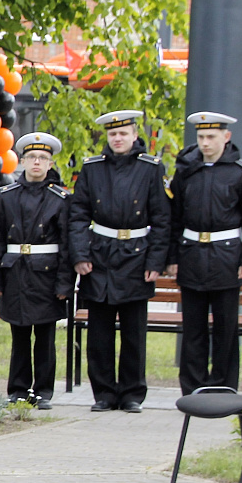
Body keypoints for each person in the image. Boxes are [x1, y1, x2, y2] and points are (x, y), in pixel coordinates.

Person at [68, 110, 170, 412]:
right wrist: (80, 254)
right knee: (99, 332)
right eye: (113, 134)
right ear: (107, 137)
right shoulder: (92, 168)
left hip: (137, 256)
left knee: (134, 332)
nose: (118, 138)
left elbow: (162, 218)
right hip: (99, 256)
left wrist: (156, 260)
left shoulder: (150, 168)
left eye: (123, 133)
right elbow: (77, 215)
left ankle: (132, 394)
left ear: (134, 135)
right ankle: (103, 393)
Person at [165, 111, 242, 395]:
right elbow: (174, 219)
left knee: (225, 329)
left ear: (226, 137)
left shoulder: (240, 172)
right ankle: (193, 389)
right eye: (201, 137)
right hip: (192, 256)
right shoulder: (186, 171)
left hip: (226, 259)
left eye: (211, 137)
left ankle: (223, 388)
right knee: (193, 329)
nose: (205, 143)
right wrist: (172, 258)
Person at [0, 132, 73, 410]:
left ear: (50, 164)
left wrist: (64, 285)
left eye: (42, 158)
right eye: (32, 157)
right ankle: (18, 390)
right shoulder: (8, 196)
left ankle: (44, 391)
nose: (37, 162)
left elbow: (68, 246)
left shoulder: (60, 198)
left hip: (46, 276)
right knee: (19, 335)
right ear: (22, 161)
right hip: (15, 275)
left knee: (45, 337)